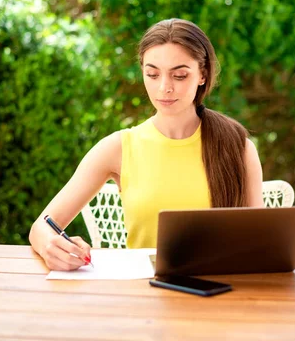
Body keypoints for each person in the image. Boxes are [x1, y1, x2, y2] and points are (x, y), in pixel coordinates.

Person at [29, 18, 263, 271]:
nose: (164, 88)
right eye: (152, 74)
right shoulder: (118, 147)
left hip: (222, 294)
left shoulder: (239, 148)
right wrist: (51, 246)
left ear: (202, 75)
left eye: (180, 75)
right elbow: (41, 227)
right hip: (144, 294)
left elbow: (261, 244)